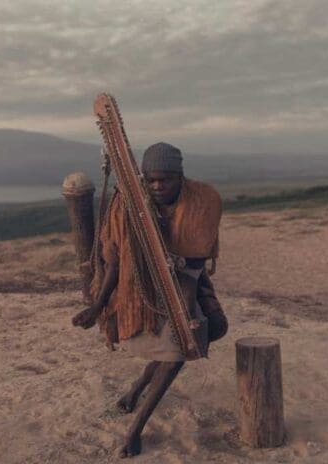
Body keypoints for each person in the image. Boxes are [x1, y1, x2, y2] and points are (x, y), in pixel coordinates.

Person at [71, 142, 226, 458]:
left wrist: (185, 314)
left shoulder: (201, 202)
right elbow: (115, 261)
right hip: (137, 286)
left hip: (184, 282)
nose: (158, 186)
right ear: (143, 178)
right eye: (151, 179)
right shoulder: (126, 205)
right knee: (174, 352)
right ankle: (136, 390)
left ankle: (135, 428)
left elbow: (193, 268)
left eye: (166, 179)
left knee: (180, 348)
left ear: (180, 177)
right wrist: (97, 307)